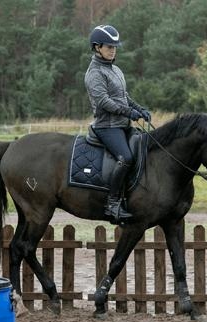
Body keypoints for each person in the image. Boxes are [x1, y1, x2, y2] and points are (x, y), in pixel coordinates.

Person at [84, 25, 151, 222]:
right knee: (126, 157)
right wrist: (128, 112)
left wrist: (140, 109)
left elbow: (124, 97)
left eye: (115, 47)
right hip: (107, 126)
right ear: (97, 48)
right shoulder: (94, 73)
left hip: (122, 124)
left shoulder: (115, 69)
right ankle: (112, 204)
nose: (113, 50)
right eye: (109, 47)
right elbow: (104, 101)